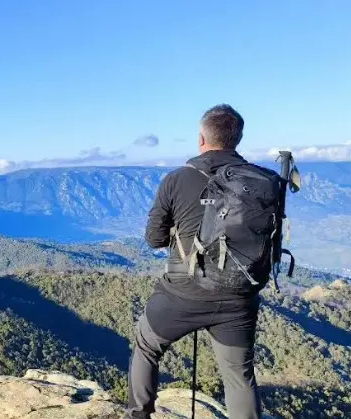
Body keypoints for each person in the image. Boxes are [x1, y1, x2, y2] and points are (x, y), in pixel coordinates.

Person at [124, 104, 265, 419]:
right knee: (239, 376)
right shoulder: (261, 180)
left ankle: (138, 415)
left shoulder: (177, 179)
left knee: (146, 346)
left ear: (202, 138)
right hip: (238, 297)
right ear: (237, 139)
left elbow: (154, 239)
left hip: (182, 294)